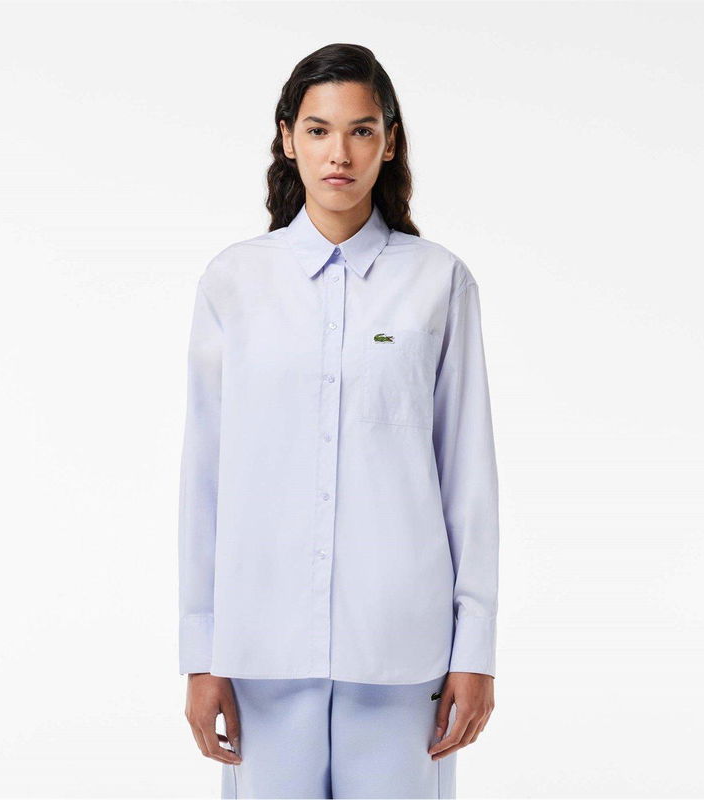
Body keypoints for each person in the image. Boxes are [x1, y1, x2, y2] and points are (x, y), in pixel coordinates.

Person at [178, 42, 500, 800]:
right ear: (288, 138)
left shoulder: (438, 282)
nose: (340, 154)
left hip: (401, 654)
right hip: (262, 654)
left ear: (389, 142)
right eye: (319, 130)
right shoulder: (235, 281)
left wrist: (475, 650)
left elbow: (468, 476)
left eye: (362, 130)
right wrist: (200, 652)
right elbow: (205, 476)